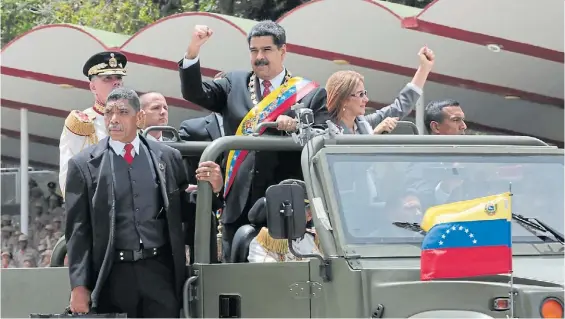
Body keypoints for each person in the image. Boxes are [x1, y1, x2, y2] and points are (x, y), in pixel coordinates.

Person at [179, 20, 330, 261]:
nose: (259, 57)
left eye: (266, 50)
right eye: (254, 51)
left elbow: (323, 137)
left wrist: (298, 126)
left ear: (283, 51)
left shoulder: (309, 93)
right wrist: (193, 51)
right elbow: (194, 93)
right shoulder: (233, 83)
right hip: (238, 205)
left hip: (286, 208)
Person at [65, 87, 223, 317]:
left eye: (122, 112)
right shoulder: (83, 165)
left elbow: (183, 208)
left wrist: (212, 190)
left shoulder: (168, 157)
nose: (114, 119)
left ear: (139, 117)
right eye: (109, 113)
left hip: (159, 273)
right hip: (111, 276)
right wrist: (78, 286)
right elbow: (77, 230)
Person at [58, 51, 127, 196]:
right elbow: (70, 176)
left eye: (119, 77)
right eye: (107, 78)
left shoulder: (134, 120)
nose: (116, 82)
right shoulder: (81, 123)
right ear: (93, 87)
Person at [324, 46, 435, 135]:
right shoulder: (325, 130)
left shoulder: (364, 123)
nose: (366, 99)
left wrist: (424, 69)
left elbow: (400, 107)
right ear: (344, 99)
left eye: (365, 93)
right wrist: (375, 135)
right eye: (360, 94)